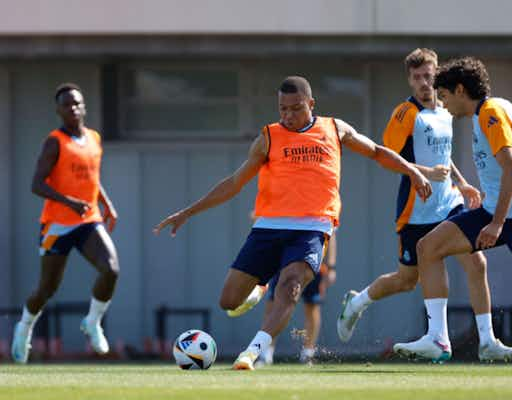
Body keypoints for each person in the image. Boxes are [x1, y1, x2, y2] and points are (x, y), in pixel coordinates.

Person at [154, 75, 432, 370]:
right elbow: (234, 183)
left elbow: (377, 152)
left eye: (295, 108)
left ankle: (252, 352)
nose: (287, 116)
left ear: (311, 104)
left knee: (290, 287)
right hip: (268, 227)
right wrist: (188, 211)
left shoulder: (335, 129)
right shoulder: (268, 137)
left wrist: (412, 171)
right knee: (229, 301)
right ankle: (259, 289)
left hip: (313, 226)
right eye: (282, 109)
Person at [337, 48, 512, 362]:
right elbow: (389, 159)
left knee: (477, 262)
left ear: (437, 75)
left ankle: (486, 340)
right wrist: (423, 173)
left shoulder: (446, 111)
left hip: (448, 204)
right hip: (415, 210)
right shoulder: (405, 114)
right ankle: (357, 303)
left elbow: (442, 158)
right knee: (406, 281)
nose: (424, 82)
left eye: (428, 75)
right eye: (417, 77)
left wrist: (460, 182)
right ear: (409, 80)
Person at [393, 56, 512, 361]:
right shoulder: (501, 108)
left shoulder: (490, 113)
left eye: (444, 96)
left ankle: (452, 339)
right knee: (427, 247)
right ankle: (438, 339)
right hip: (494, 210)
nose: (443, 104)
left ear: (459, 90)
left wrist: (496, 224)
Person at [11, 83, 120, 363]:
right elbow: (36, 184)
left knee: (110, 269)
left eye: (77, 103)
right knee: (47, 288)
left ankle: (92, 322)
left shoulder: (94, 138)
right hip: (57, 224)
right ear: (59, 110)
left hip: (88, 220)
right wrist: (69, 201)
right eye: (67, 104)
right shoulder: (55, 142)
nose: (73, 108)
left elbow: (92, 179)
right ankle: (24, 327)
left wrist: (106, 204)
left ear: (84, 107)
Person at [259, 232, 336, 365]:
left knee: (312, 306)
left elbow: (331, 234)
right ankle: (266, 353)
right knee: (274, 304)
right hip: (285, 260)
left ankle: (308, 353)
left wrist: (330, 266)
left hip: (313, 259)